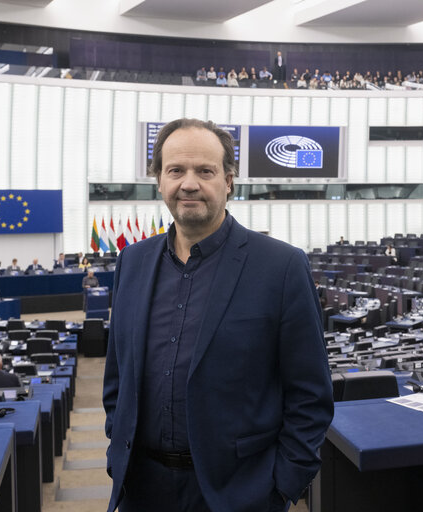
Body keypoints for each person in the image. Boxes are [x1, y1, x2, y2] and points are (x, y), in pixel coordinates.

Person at [102, 118, 333, 512]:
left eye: (204, 171)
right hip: (141, 490)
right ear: (159, 180)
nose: (188, 183)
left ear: (228, 181)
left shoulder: (280, 267)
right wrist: (117, 446)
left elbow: (311, 395)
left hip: (240, 494)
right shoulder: (132, 261)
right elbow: (117, 377)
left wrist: (282, 485)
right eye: (175, 170)